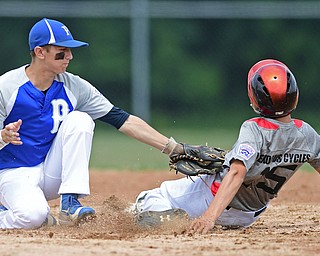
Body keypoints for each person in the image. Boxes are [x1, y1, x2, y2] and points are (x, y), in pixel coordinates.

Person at [0, 18, 184, 229]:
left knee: (80, 119)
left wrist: (173, 148)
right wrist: (2, 137)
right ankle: (23, 215)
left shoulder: (74, 86)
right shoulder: (6, 87)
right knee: (32, 217)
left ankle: (70, 203)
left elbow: (122, 119)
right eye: (62, 50)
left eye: (70, 50)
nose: (69, 56)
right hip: (13, 171)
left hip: (52, 171)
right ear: (40, 52)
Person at [133, 59, 320, 234]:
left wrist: (209, 217)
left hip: (214, 201)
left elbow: (237, 172)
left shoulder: (254, 128)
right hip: (249, 215)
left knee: (146, 200)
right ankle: (190, 214)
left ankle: (178, 220)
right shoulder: (307, 134)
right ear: (294, 95)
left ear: (255, 98)